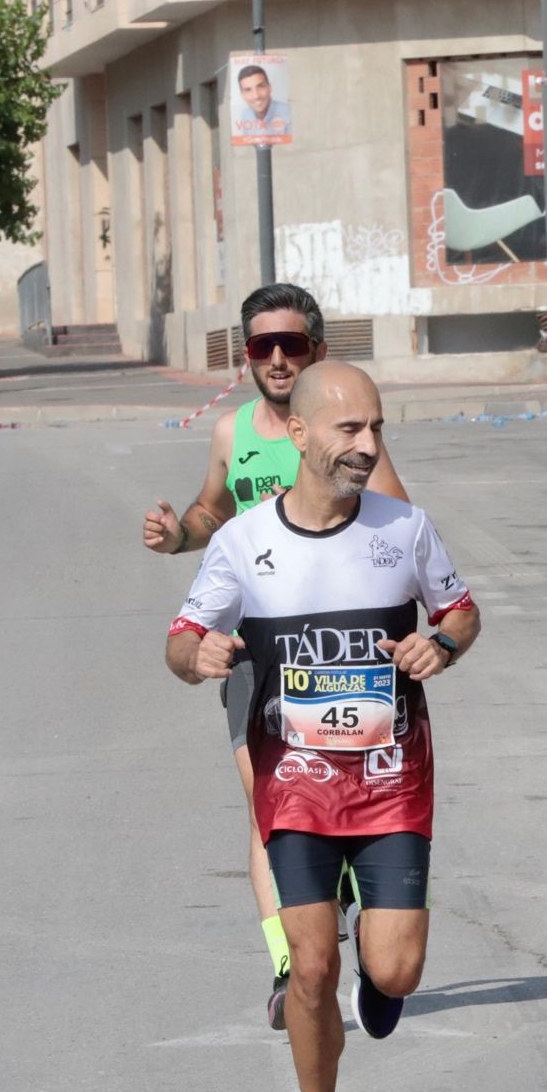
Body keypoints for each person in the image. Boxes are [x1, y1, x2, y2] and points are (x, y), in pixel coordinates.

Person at [165, 361, 480, 1092]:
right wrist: (195, 656)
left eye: (376, 427)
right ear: (298, 434)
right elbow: (180, 636)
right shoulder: (243, 543)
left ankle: (383, 975)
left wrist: (440, 643)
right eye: (349, 429)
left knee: (396, 970)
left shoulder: (405, 530)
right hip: (295, 783)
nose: (368, 445)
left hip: (390, 783)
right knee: (309, 967)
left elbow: (460, 608)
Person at [142, 283, 410, 1030]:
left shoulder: (346, 434)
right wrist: (178, 535)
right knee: (270, 802)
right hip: (257, 649)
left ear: (318, 350)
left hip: (342, 651)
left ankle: (354, 915)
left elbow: (396, 528)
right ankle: (291, 963)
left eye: (293, 343)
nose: (279, 357)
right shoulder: (234, 432)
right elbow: (212, 511)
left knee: (344, 798)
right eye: (263, 346)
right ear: (247, 357)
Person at [235, 64, 290, 139]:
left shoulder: (287, 112)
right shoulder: (245, 115)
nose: (256, 96)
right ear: (242, 96)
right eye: (248, 90)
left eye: (261, 86)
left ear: (269, 88)